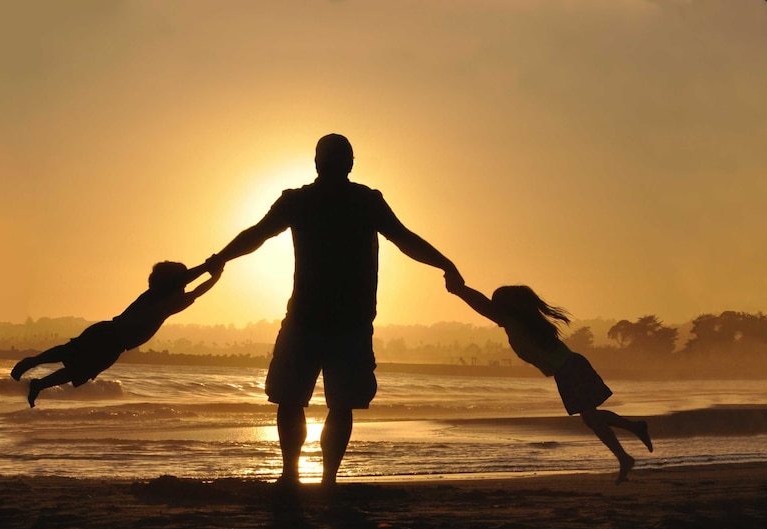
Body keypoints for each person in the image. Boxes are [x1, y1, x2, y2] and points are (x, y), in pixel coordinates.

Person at [203, 134, 463, 487]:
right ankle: (326, 480)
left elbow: (257, 235)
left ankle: (292, 476)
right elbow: (404, 239)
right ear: (351, 163)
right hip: (348, 322)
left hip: (310, 320)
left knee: (293, 400)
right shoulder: (364, 202)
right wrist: (445, 263)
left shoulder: (302, 201)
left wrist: (221, 259)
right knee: (337, 405)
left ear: (316, 163)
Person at [451, 283, 653, 483]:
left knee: (591, 417)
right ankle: (632, 435)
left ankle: (626, 452)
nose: (494, 309)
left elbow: (482, 305)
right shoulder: (526, 323)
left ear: (507, 307)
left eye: (497, 304)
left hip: (570, 368)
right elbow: (486, 306)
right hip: (569, 368)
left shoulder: (516, 323)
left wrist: (460, 290)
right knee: (591, 418)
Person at [11, 261, 222, 407]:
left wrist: (215, 275)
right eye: (181, 283)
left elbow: (197, 292)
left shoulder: (172, 305)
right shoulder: (154, 296)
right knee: (69, 353)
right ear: (171, 283)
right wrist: (206, 267)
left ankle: (38, 384)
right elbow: (183, 281)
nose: (184, 287)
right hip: (109, 335)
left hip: (114, 343)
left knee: (78, 370)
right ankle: (31, 363)